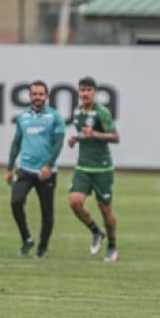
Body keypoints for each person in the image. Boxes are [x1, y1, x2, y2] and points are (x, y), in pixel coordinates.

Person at [6, 80, 66, 259]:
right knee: (16, 202)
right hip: (25, 168)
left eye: (41, 94)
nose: (37, 97)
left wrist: (48, 166)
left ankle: (43, 247)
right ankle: (27, 239)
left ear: (47, 96)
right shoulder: (23, 117)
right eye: (34, 94)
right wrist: (10, 168)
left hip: (46, 171)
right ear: (30, 96)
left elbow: (58, 143)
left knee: (46, 211)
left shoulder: (55, 116)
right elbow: (16, 142)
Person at [67, 76, 120, 262]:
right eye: (82, 90)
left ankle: (112, 245)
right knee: (74, 201)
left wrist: (95, 133)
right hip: (83, 166)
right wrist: (76, 139)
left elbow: (115, 137)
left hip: (102, 168)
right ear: (78, 92)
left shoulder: (101, 112)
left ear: (95, 92)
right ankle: (96, 231)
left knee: (105, 209)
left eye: (89, 90)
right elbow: (83, 134)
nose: (85, 93)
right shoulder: (77, 111)